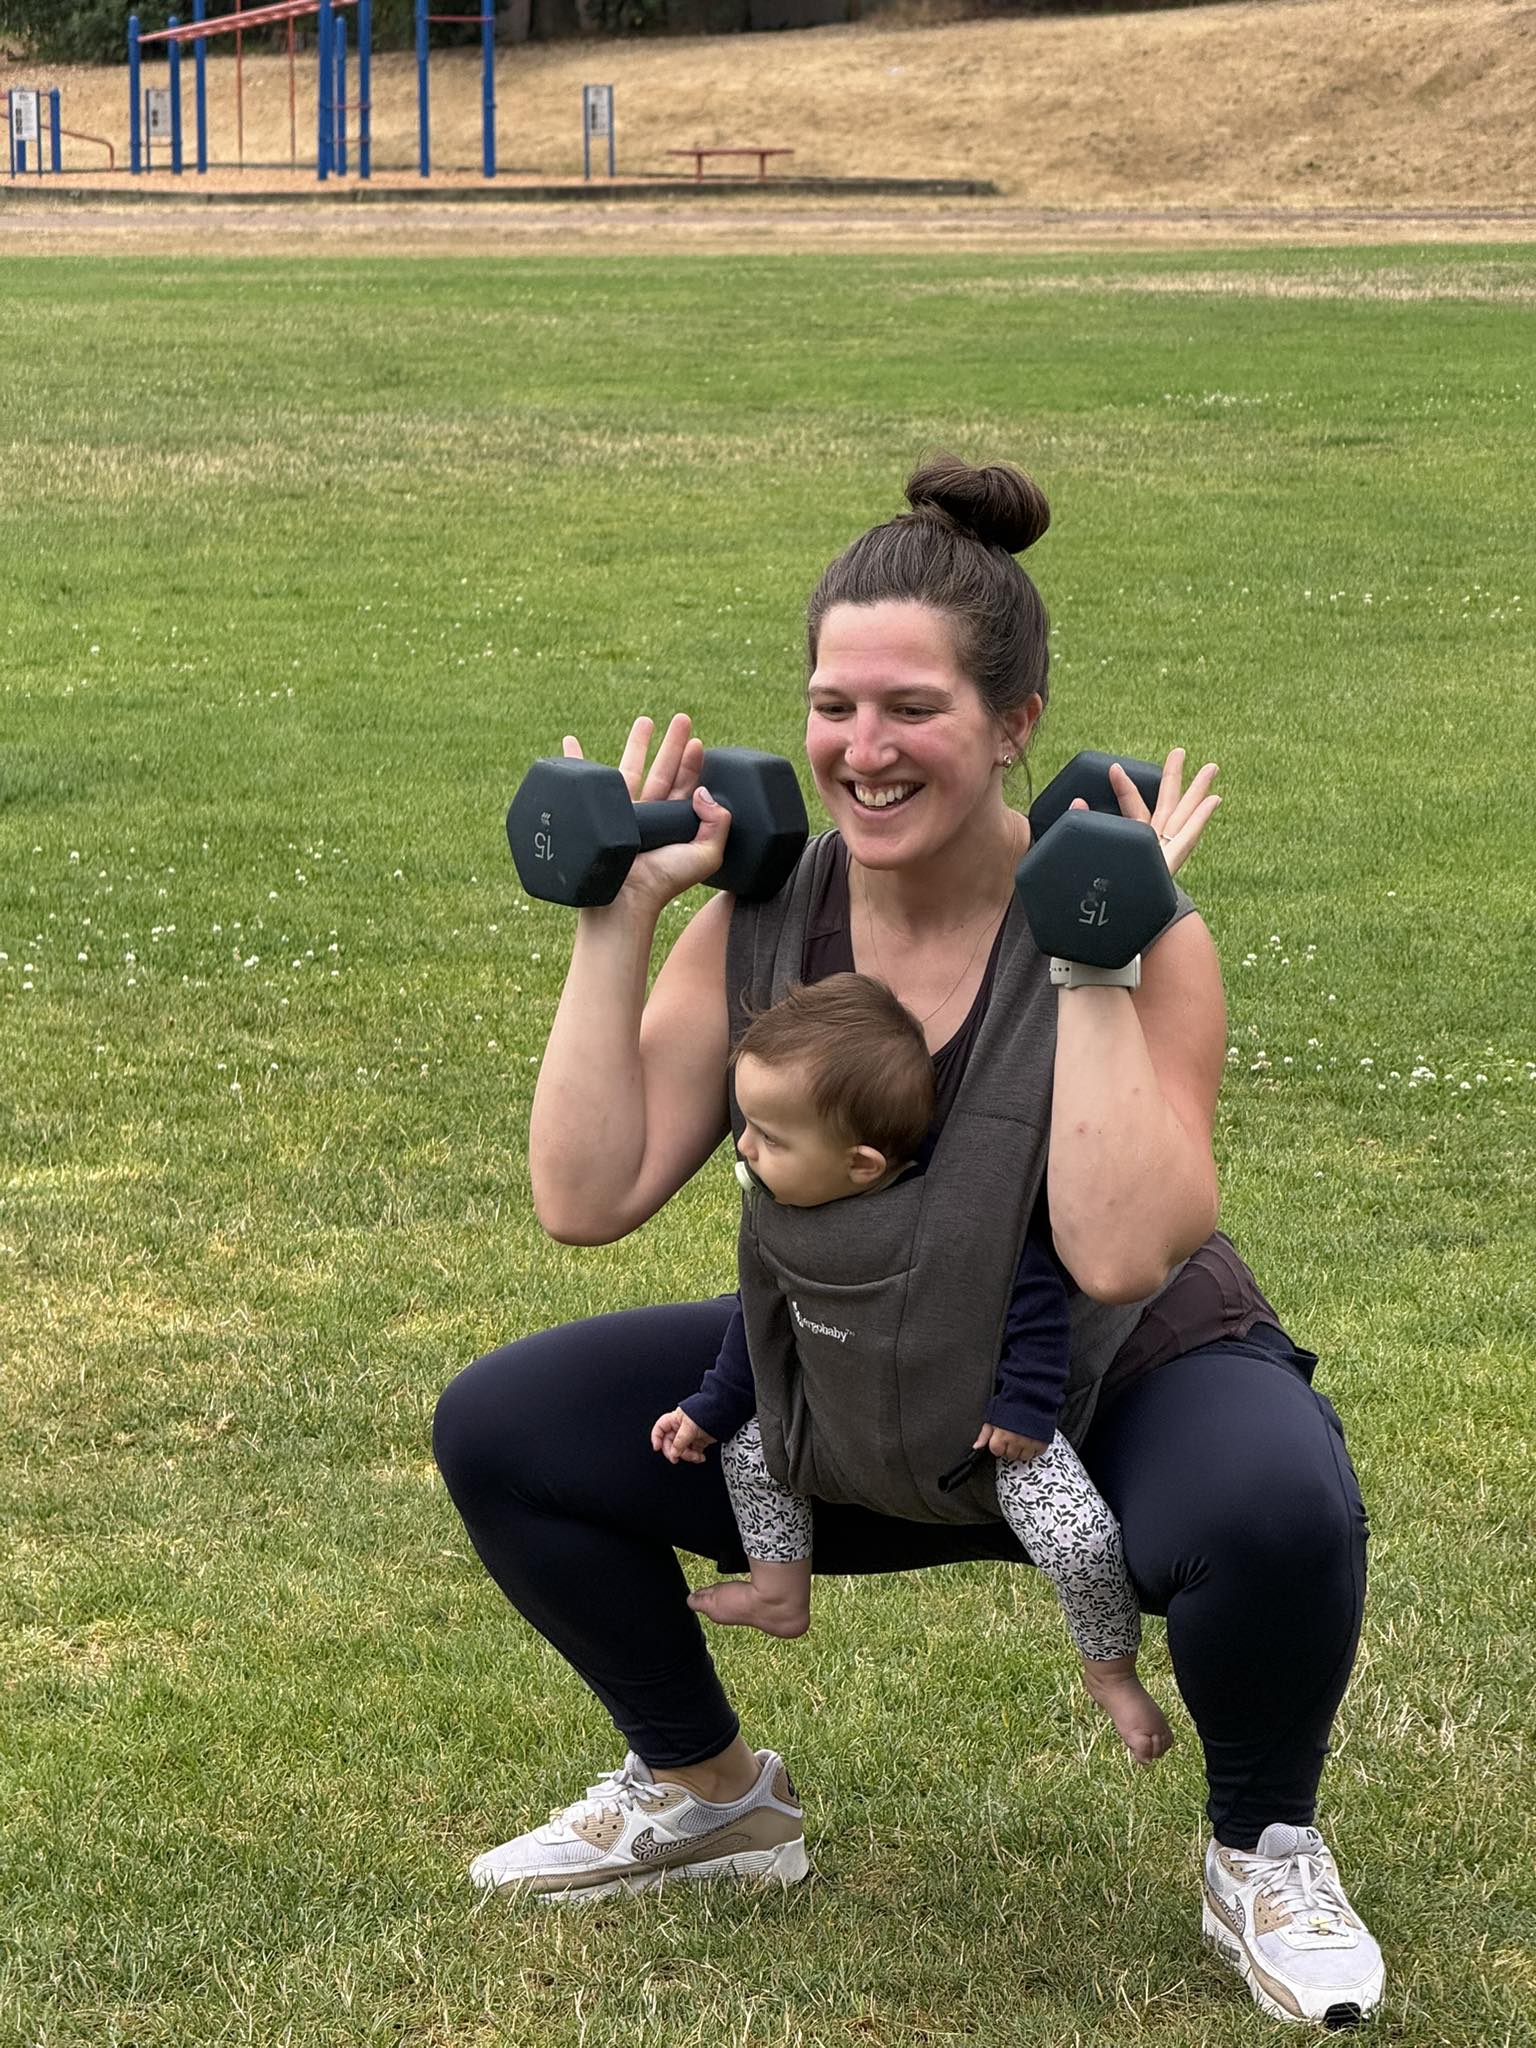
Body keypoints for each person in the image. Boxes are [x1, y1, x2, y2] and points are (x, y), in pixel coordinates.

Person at [434, 456, 1382, 2027]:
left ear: (1012, 727)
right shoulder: (768, 917)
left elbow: (1120, 1248)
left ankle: (1263, 1851)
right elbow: (584, 1198)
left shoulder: (1137, 925)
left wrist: (1088, 962)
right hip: (863, 1385)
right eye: (832, 704)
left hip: (1096, 1396)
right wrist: (621, 917)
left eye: (912, 709)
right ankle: (710, 1794)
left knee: (1275, 1507)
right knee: (506, 1424)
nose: (862, 750)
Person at [649, 971, 1173, 1766]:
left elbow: (1034, 1306)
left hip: (981, 1443)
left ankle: (1110, 1668)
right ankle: (778, 1592)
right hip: (838, 1425)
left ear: (861, 1163)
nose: (745, 1149)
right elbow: (757, 1328)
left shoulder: (957, 1219)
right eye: (744, 1124)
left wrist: (1027, 1409)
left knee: (1082, 1540)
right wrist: (711, 1410)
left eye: (770, 1136)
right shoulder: (778, 1216)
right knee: (753, 1455)